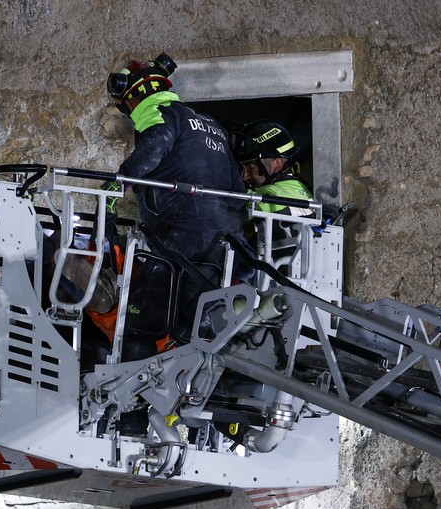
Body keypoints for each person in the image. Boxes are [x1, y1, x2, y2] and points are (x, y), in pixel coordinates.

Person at [106, 53, 250, 364]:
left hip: (178, 237)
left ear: (130, 97)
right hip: (220, 243)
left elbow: (152, 150)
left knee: (140, 322)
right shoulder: (213, 126)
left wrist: (114, 185)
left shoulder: (157, 112)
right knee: (190, 326)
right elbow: (238, 193)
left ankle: (129, 409)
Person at [230, 120, 316, 233]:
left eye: (251, 168)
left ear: (277, 164)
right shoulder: (299, 189)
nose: (245, 177)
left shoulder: (270, 197)